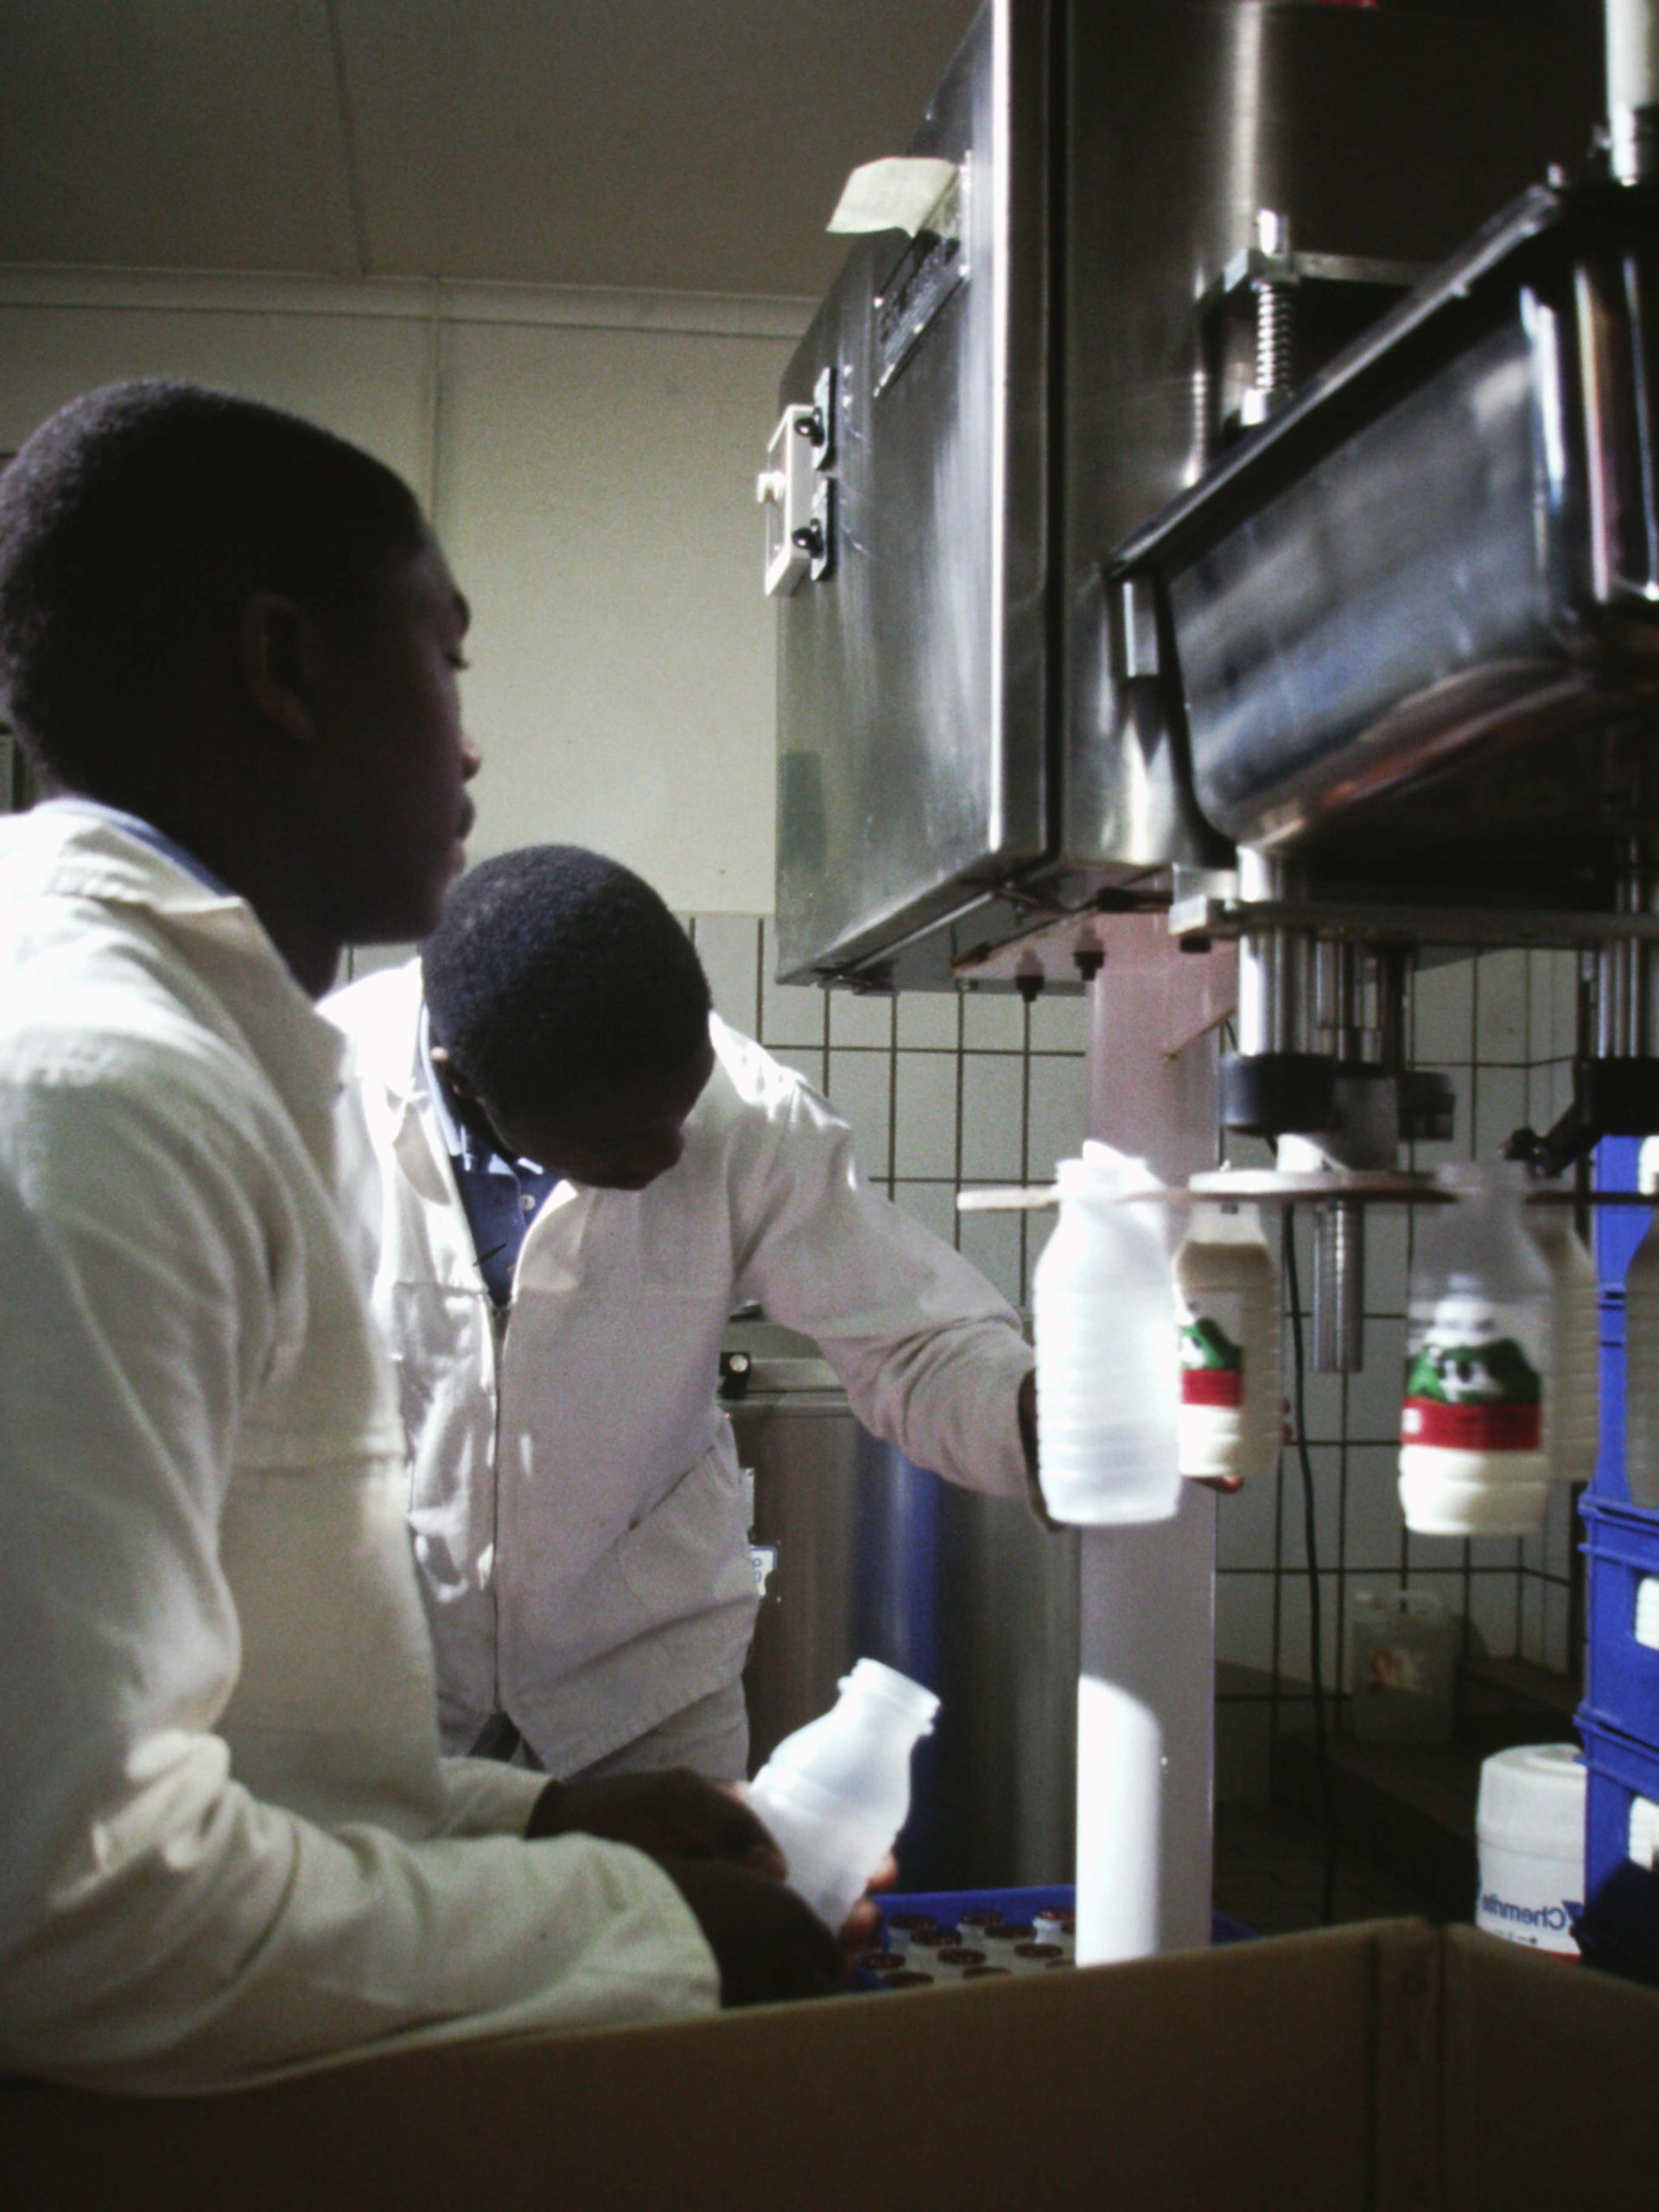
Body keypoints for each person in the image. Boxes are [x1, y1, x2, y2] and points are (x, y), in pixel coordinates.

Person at [0, 381, 843, 2095]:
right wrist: (645, 1932)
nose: (468, 748)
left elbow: (217, 1744)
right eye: (443, 657)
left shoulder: (184, 1056)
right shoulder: (92, 1088)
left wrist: (526, 1819)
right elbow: (71, 1907)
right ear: (284, 665)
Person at [326, 843, 1044, 1786]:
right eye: (620, 1138)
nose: (670, 1155)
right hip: (381, 1695)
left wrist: (1044, 1417)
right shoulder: (316, 1096)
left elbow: (915, 1343)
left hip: (644, 1700)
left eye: (684, 1106)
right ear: (466, 1085)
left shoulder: (747, 1115)